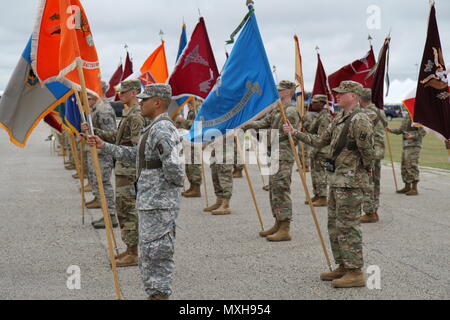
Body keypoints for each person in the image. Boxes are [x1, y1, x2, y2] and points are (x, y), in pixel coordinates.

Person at [88, 83, 184, 300]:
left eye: (145, 100)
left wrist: (165, 194)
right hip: (150, 200)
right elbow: (137, 156)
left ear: (157, 102)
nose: (140, 103)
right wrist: (105, 146)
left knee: (158, 251)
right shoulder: (152, 127)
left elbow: (175, 168)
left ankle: (159, 294)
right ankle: (154, 292)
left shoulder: (162, 129)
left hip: (159, 202)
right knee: (149, 250)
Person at [284, 80, 374, 287]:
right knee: (335, 225)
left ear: (353, 95)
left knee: (348, 226)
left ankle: (355, 271)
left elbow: (368, 151)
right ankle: (343, 265)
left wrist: (364, 171)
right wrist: (294, 133)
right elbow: (320, 141)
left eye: (342, 93)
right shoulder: (340, 118)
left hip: (350, 182)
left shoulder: (360, 119)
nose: (337, 95)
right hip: (336, 180)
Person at [91, 79, 146, 267]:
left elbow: (136, 147)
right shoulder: (129, 112)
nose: (120, 96)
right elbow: (118, 137)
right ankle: (130, 249)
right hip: (123, 168)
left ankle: (133, 252)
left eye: (123, 93)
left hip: (129, 170)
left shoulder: (136, 115)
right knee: (123, 209)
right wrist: (96, 133)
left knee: (128, 210)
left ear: (133, 93)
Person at [244, 80, 300, 242]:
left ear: (288, 92)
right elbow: (264, 122)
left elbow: (286, 135)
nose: (277, 92)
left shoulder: (289, 112)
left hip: (283, 155)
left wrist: (262, 134)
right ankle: (278, 221)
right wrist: (246, 124)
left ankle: (285, 228)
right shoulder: (277, 109)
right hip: (273, 154)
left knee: (281, 188)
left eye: (280, 90)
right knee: (274, 189)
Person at [82, 81, 118, 229]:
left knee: (104, 184)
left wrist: (94, 131)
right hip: (97, 152)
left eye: (89, 96)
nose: (87, 99)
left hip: (103, 154)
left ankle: (111, 216)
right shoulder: (96, 108)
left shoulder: (103, 110)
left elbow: (112, 135)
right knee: (98, 184)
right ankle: (106, 214)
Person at [359, 88, 388, 223]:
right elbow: (386, 124)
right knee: (375, 181)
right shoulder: (380, 111)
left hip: (370, 152)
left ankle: (370, 212)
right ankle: (373, 210)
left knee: (368, 182)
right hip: (378, 151)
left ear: (360, 99)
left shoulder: (366, 113)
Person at [386, 111, 426, 196]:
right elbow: (401, 130)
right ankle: (407, 186)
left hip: (414, 145)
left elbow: (423, 132)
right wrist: (390, 130)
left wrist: (412, 136)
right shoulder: (407, 116)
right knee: (405, 165)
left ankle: (414, 188)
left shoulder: (417, 116)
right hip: (406, 145)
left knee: (412, 165)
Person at [306, 94, 333, 207]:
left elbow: (322, 137)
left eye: (315, 102)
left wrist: (315, 150)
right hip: (316, 149)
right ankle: (317, 194)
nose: (312, 104)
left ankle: (323, 197)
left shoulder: (325, 117)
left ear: (322, 103)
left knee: (321, 173)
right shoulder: (319, 116)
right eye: (312, 102)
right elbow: (311, 130)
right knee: (315, 173)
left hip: (322, 150)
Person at [180, 98, 202, 198]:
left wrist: (183, 122)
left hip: (196, 140)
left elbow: (198, 125)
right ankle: (192, 187)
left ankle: (196, 188)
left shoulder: (198, 108)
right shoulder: (191, 107)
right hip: (189, 139)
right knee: (189, 165)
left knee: (194, 164)